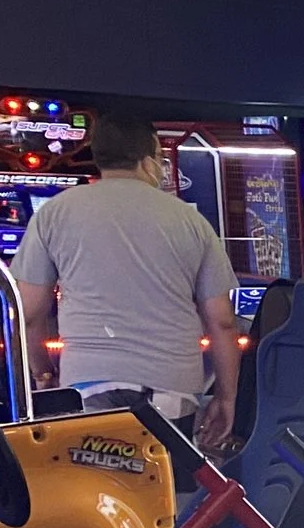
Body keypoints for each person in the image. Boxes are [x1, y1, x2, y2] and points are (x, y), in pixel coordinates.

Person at [12, 114, 240, 449]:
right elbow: (222, 321)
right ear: (150, 157)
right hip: (172, 388)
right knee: (163, 492)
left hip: (86, 386)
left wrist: (44, 375)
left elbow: (29, 313)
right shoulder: (190, 221)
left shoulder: (54, 213)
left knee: (98, 495)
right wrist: (226, 397)